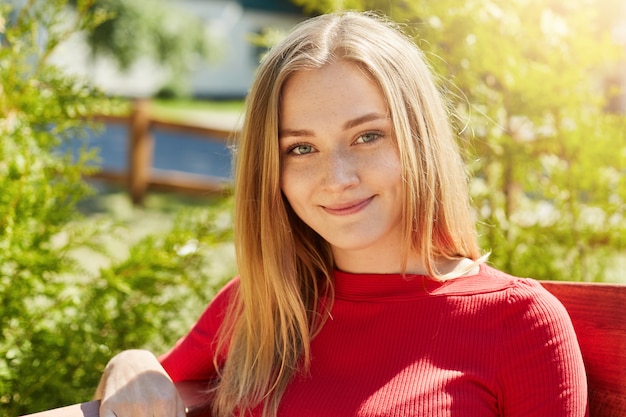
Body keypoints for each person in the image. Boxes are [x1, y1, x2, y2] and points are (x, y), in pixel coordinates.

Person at [95, 11, 588, 417]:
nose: (337, 177)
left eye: (367, 136)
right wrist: (128, 362)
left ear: (419, 140)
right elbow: (150, 380)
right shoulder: (265, 301)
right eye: (301, 148)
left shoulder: (520, 323)